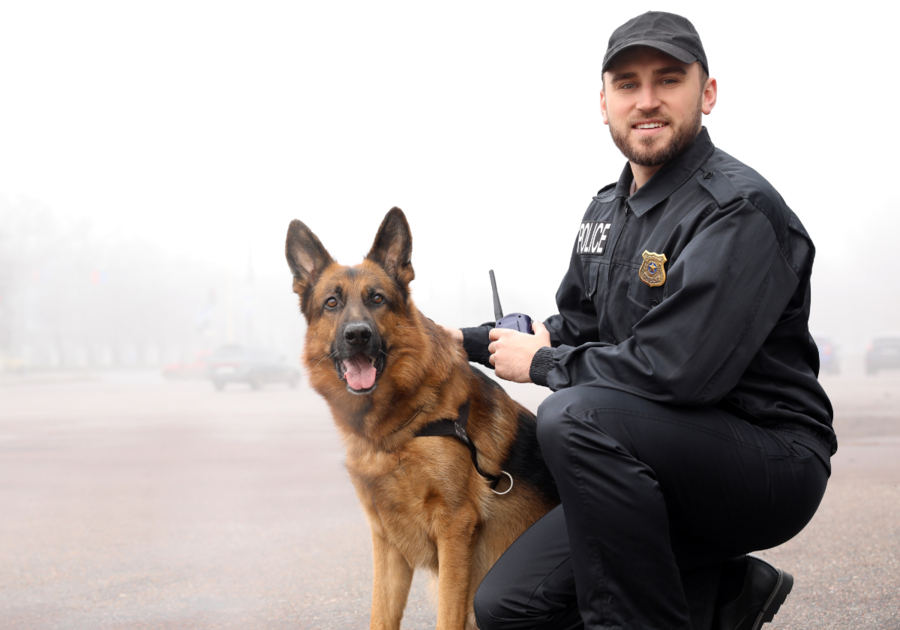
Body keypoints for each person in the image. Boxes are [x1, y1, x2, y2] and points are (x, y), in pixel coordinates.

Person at [445, 11, 837, 630]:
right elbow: (572, 326)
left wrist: (544, 365)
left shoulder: (737, 209)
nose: (646, 101)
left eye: (668, 80)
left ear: (706, 92)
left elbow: (676, 370)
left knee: (571, 415)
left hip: (766, 461)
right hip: (646, 456)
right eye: (627, 84)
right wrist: (455, 341)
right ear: (602, 103)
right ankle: (723, 595)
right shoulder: (607, 208)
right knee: (509, 607)